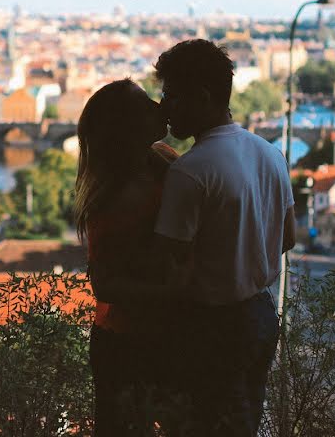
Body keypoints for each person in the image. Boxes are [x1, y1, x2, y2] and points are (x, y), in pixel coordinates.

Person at [153, 39, 296, 436]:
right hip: (261, 316)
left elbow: (167, 262)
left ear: (201, 97)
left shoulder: (190, 171)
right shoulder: (271, 155)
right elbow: (288, 237)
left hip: (209, 326)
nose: (165, 108)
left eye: (171, 96)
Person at [74, 78, 183, 436]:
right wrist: (178, 293)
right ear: (127, 126)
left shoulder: (162, 160)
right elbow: (104, 285)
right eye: (144, 103)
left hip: (157, 335)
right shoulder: (113, 199)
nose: (158, 106)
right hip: (125, 342)